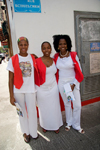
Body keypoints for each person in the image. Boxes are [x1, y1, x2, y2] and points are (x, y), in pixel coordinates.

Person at [6, 37, 39, 143]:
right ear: (18, 46)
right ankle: (26, 133)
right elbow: (10, 79)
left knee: (32, 112)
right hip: (18, 90)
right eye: (21, 45)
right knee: (21, 112)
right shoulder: (13, 59)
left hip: (30, 89)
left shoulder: (32, 58)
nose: (23, 47)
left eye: (25, 45)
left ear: (28, 45)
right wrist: (11, 95)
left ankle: (34, 132)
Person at [53, 35, 85, 134]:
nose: (62, 45)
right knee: (67, 104)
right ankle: (69, 123)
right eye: (60, 44)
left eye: (64, 44)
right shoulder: (56, 57)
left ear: (68, 45)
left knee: (77, 105)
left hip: (73, 82)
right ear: (57, 46)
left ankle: (77, 125)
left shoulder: (73, 55)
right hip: (62, 83)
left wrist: (73, 84)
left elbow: (80, 71)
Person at [36, 41, 63, 133]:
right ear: (41, 50)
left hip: (53, 88)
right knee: (44, 108)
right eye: (44, 48)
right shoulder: (37, 61)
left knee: (54, 107)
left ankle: (55, 125)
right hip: (41, 89)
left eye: (48, 48)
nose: (46, 50)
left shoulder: (54, 60)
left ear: (51, 49)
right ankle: (45, 125)